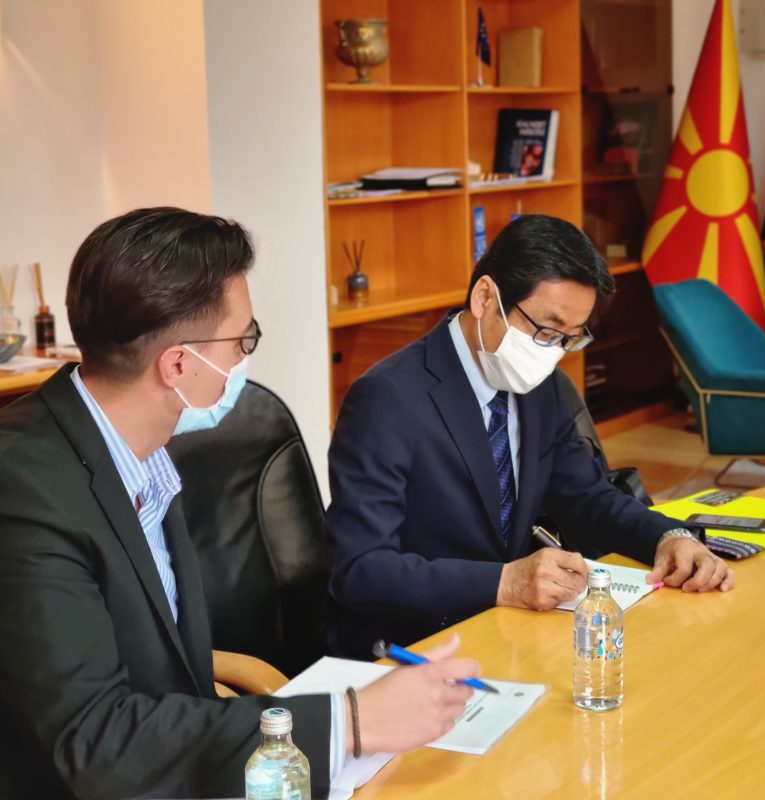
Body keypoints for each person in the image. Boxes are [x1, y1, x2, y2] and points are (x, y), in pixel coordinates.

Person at [0, 208, 480, 800]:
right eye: (242, 341)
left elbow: (173, 679)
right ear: (178, 364)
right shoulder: (24, 489)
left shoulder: (142, 450)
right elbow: (95, 741)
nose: (243, 360)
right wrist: (352, 722)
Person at [326, 214, 734, 660]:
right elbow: (360, 568)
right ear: (485, 297)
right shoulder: (387, 398)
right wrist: (504, 582)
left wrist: (668, 538)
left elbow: (587, 497)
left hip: (513, 631)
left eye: (569, 339)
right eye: (544, 331)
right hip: (417, 645)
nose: (552, 353)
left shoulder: (541, 386)